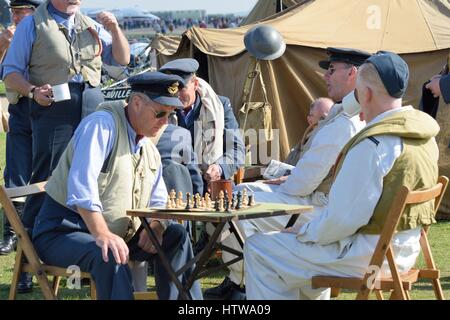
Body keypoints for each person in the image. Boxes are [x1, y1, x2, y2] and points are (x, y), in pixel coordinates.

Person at [244, 51, 439, 300]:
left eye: (357, 92)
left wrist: (304, 232)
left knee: (261, 249)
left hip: (368, 257)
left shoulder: (373, 145)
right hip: (401, 253)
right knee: (293, 256)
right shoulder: (423, 138)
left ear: (365, 94)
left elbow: (343, 220)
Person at [205, 48, 369, 300]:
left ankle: (241, 281)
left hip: (319, 213)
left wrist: (286, 181)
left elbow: (302, 185)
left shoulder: (344, 123)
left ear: (352, 73)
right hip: (333, 211)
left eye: (332, 69)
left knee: (235, 201)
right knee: (244, 197)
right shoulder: (355, 117)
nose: (326, 75)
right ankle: (257, 279)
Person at [32, 71, 203, 300]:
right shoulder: (101, 126)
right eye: (159, 113)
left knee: (176, 237)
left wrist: (156, 225)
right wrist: (102, 233)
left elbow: (158, 198)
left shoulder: (148, 147)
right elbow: (81, 187)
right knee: (110, 252)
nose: (164, 123)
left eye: (170, 116)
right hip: (63, 232)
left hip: (120, 234)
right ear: (136, 103)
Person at [159, 58, 245, 189]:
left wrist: (220, 168)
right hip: (175, 185)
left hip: (213, 186)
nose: (177, 96)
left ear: (195, 84)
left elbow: (236, 148)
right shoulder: (160, 109)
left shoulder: (220, 106)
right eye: (172, 90)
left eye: (182, 89)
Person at [0, 0, 42, 260]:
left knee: (46, 171)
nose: (15, 16)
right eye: (14, 12)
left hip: (47, 109)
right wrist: (4, 43)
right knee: (15, 170)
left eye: (21, 11)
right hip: (19, 108)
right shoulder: (8, 35)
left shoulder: (45, 33)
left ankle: (37, 229)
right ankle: (10, 232)